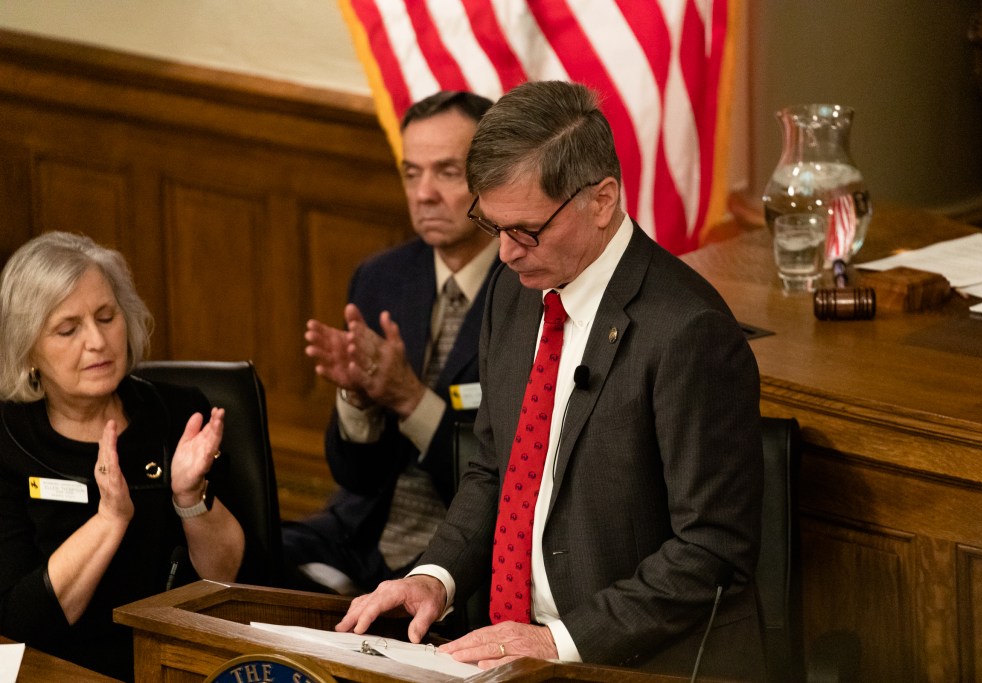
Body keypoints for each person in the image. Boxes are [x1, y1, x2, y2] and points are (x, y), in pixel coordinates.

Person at [337, 80, 767, 680]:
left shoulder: (687, 332)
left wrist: (557, 643)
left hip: (633, 663)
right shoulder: (515, 299)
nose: (508, 254)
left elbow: (712, 550)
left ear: (602, 200)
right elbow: (496, 468)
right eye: (494, 227)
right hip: (502, 652)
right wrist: (435, 575)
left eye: (526, 230)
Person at [0, 231, 245, 681]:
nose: (96, 341)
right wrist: (109, 519)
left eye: (106, 317)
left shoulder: (178, 414)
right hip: (58, 670)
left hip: (179, 664)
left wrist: (190, 497)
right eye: (68, 329)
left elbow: (232, 582)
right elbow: (19, 624)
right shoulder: (7, 441)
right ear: (27, 348)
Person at [282, 91, 499, 595]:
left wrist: (409, 398)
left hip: (461, 548)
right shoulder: (382, 277)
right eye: (410, 172)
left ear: (491, 174)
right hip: (363, 528)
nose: (423, 193)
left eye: (446, 172)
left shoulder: (528, 289)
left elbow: (501, 486)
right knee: (234, 560)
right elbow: (355, 476)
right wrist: (358, 402)